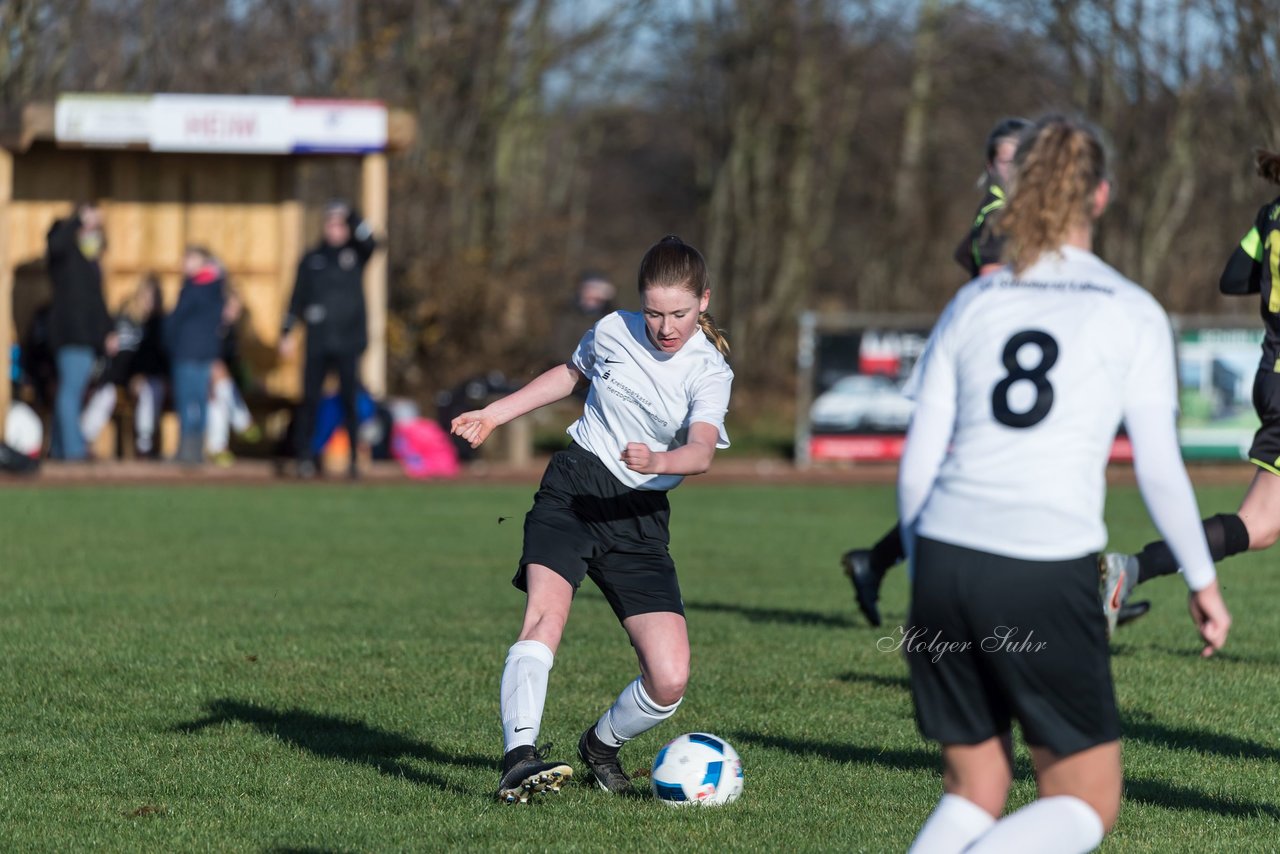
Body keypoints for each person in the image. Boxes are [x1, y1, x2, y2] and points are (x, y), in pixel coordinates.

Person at [898, 116, 1231, 854]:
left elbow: (918, 463)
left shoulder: (975, 301)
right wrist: (1202, 582)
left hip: (947, 560)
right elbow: (1156, 467)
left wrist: (927, 572)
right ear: (1102, 196)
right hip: (1043, 569)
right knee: (1085, 801)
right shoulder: (1131, 310)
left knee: (975, 789)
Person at [450, 235, 733, 804]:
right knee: (543, 619)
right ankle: (518, 758)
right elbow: (571, 374)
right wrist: (495, 413)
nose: (665, 326)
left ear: (703, 301)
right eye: (653, 312)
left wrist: (659, 461)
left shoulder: (710, 370)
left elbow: (702, 450)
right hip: (574, 490)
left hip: (639, 514)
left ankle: (600, 745)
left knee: (670, 677)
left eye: (678, 312)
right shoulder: (610, 330)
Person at [841, 117, 1150, 630]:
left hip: (1008, 368)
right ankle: (1075, 602)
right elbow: (993, 289)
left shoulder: (1011, 220)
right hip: (992, 371)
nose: (1017, 167)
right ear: (990, 167)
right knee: (1004, 482)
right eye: (1006, 159)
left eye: (1021, 158)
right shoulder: (1000, 219)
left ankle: (877, 562)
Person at [1100, 147, 1280, 630]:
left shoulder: (1270, 216)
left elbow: (1233, 277)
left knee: (1259, 526)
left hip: (1272, 378)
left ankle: (1133, 568)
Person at [279, 200, 377, 479]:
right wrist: (287, 332)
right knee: (310, 400)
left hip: (348, 342)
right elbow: (296, 298)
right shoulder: (312, 259)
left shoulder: (356, 255)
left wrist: (352, 215)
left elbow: (373, 241)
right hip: (318, 342)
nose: (335, 229)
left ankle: (355, 461)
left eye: (340, 224)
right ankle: (305, 458)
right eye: (331, 223)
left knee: (349, 400)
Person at [46, 202, 117, 460]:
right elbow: (56, 243)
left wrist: (108, 331)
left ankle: (58, 448)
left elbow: (97, 301)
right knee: (70, 391)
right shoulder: (64, 252)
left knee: (70, 391)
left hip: (86, 337)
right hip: (70, 334)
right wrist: (78, 219)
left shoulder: (90, 264)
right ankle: (74, 451)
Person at [79, 274, 167, 457]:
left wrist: (141, 375)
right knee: (106, 394)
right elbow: (110, 357)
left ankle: (144, 445)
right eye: (147, 296)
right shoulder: (121, 320)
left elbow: (157, 359)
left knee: (150, 389)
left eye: (155, 297)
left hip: (143, 378)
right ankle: (83, 440)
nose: (150, 301)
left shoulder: (158, 324)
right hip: (116, 377)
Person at [165, 246, 227, 465]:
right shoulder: (218, 287)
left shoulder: (195, 287)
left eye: (190, 259)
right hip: (204, 352)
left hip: (187, 352)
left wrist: (168, 340)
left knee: (188, 401)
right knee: (198, 401)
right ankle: (195, 451)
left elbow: (175, 320)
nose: (185, 264)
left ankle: (187, 451)